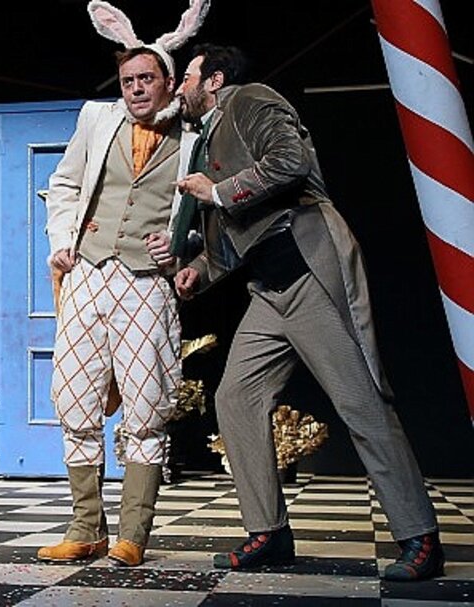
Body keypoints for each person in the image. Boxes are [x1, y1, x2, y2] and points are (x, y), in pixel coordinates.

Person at [171, 43, 444, 580]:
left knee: (360, 402)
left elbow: (290, 163)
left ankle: (420, 538)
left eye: (188, 75)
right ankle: (268, 533)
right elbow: (236, 231)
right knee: (236, 398)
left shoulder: (250, 99)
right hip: (268, 290)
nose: (181, 85)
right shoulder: (206, 137)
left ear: (214, 80)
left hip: (309, 270)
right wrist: (198, 270)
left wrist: (218, 190)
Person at [35, 0, 208, 567]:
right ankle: (86, 527)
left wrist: (180, 245)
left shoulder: (194, 135)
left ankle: (133, 532)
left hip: (148, 282)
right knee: (74, 398)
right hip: (88, 272)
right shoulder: (97, 118)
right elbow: (65, 183)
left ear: (167, 82)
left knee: (146, 405)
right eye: (128, 80)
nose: (135, 89)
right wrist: (62, 237)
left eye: (145, 79)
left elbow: (210, 218)